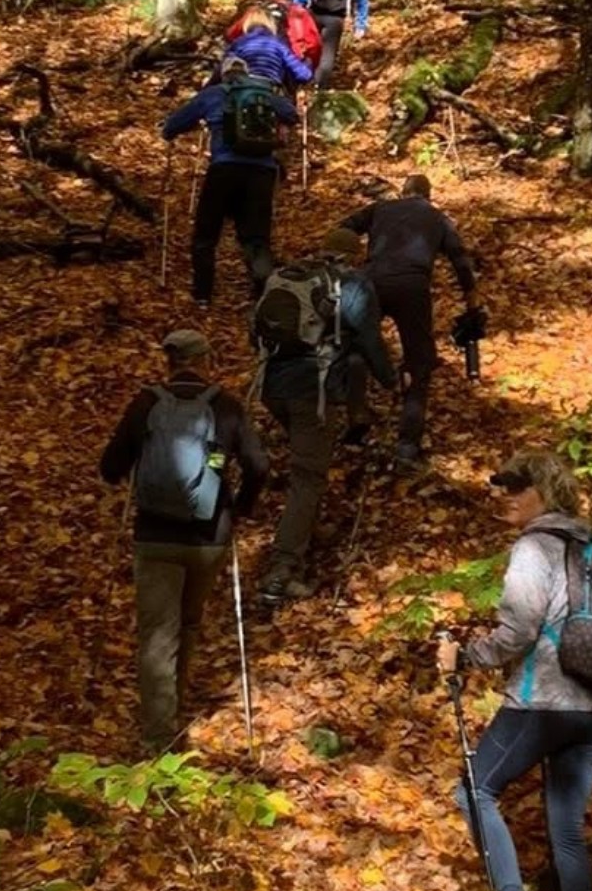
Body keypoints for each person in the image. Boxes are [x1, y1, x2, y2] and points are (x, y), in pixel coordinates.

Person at [434, 447, 592, 891]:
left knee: (473, 788)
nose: (506, 495)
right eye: (503, 486)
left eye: (519, 486)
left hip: (542, 700)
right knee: (567, 829)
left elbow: (518, 630)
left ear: (548, 492)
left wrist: (467, 656)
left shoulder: (535, 546)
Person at [98, 329, 267, 755]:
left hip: (154, 535)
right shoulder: (226, 407)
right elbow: (259, 466)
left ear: (169, 361)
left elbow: (110, 465)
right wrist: (241, 506)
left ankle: (159, 736)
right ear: (205, 359)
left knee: (158, 633)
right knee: (187, 624)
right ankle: (174, 708)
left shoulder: (147, 403)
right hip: (208, 536)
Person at [253, 236, 398, 607]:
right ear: (354, 253)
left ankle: (305, 529)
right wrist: (392, 380)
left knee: (308, 462)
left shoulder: (289, 276)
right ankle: (282, 569)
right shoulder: (352, 284)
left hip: (272, 387)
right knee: (308, 475)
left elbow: (255, 330)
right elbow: (369, 339)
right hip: (312, 392)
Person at [339, 173, 477, 469]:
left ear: (403, 192)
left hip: (370, 281)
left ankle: (356, 412)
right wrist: (471, 295)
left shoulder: (380, 209)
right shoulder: (436, 217)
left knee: (356, 343)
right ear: (428, 195)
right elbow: (459, 257)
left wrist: (346, 262)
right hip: (412, 286)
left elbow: (344, 227)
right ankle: (407, 445)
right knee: (420, 362)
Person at [163, 54, 298, 307]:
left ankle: (203, 294)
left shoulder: (213, 94)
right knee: (256, 235)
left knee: (206, 234)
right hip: (262, 172)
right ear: (246, 74)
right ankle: (262, 289)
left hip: (224, 169)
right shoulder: (265, 92)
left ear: (223, 74)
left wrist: (172, 129)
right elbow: (291, 114)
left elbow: (173, 125)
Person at [293, 0, 368, 89]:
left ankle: (304, 81)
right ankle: (318, 87)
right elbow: (362, 1)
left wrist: (295, 11)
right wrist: (361, 25)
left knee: (309, 48)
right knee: (328, 54)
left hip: (314, 15)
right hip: (335, 20)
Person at [229, 0, 321, 76]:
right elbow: (314, 44)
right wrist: (311, 65)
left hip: (247, 69)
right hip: (291, 63)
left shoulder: (256, 12)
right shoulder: (299, 12)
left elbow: (231, 34)